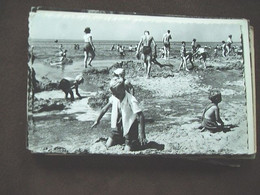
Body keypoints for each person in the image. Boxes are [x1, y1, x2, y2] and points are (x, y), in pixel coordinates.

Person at [91, 77, 147, 151]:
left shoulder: (131, 99)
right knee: (108, 145)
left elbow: (140, 115)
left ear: (122, 90)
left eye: (116, 94)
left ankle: (131, 142)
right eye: (113, 94)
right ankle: (119, 138)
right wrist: (97, 120)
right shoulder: (114, 97)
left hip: (130, 127)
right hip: (118, 126)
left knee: (128, 149)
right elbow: (105, 108)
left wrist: (142, 133)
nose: (115, 95)